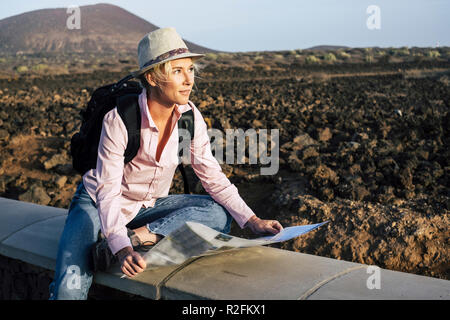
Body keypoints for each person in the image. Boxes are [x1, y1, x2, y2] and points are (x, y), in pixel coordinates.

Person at [49, 27, 283, 300]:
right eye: (177, 71)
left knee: (217, 215)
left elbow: (212, 176)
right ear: (152, 77)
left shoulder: (190, 117)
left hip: (147, 208)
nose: (189, 80)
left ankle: (141, 237)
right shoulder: (119, 120)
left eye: (191, 70)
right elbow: (108, 190)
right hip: (98, 203)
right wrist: (121, 248)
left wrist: (253, 221)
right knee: (69, 289)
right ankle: (118, 241)